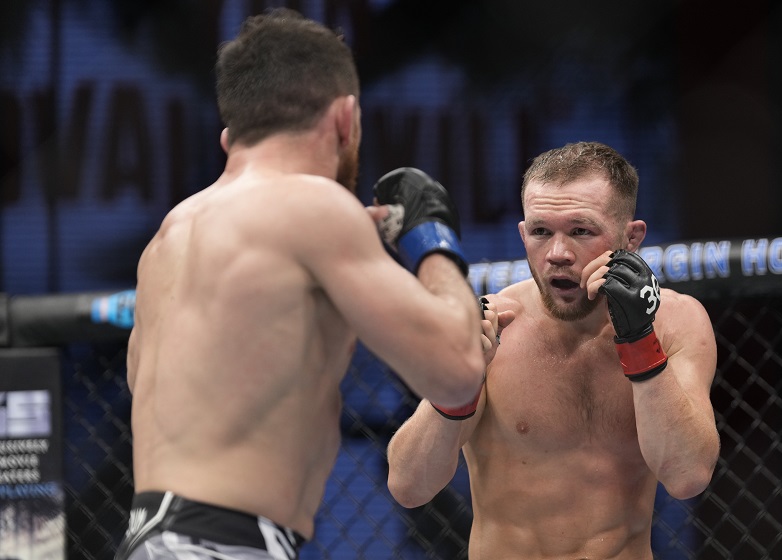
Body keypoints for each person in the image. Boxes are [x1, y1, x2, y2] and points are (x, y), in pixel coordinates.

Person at [115, 8, 486, 560]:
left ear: (232, 135)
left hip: (156, 537)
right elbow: (458, 371)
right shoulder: (313, 206)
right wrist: (432, 239)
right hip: (222, 543)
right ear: (344, 117)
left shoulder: (168, 239)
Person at [386, 141, 720, 559]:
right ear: (523, 235)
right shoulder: (490, 326)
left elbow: (688, 476)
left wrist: (639, 340)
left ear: (631, 238)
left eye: (581, 231)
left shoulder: (675, 322)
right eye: (541, 232)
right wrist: (456, 383)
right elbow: (409, 487)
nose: (558, 254)